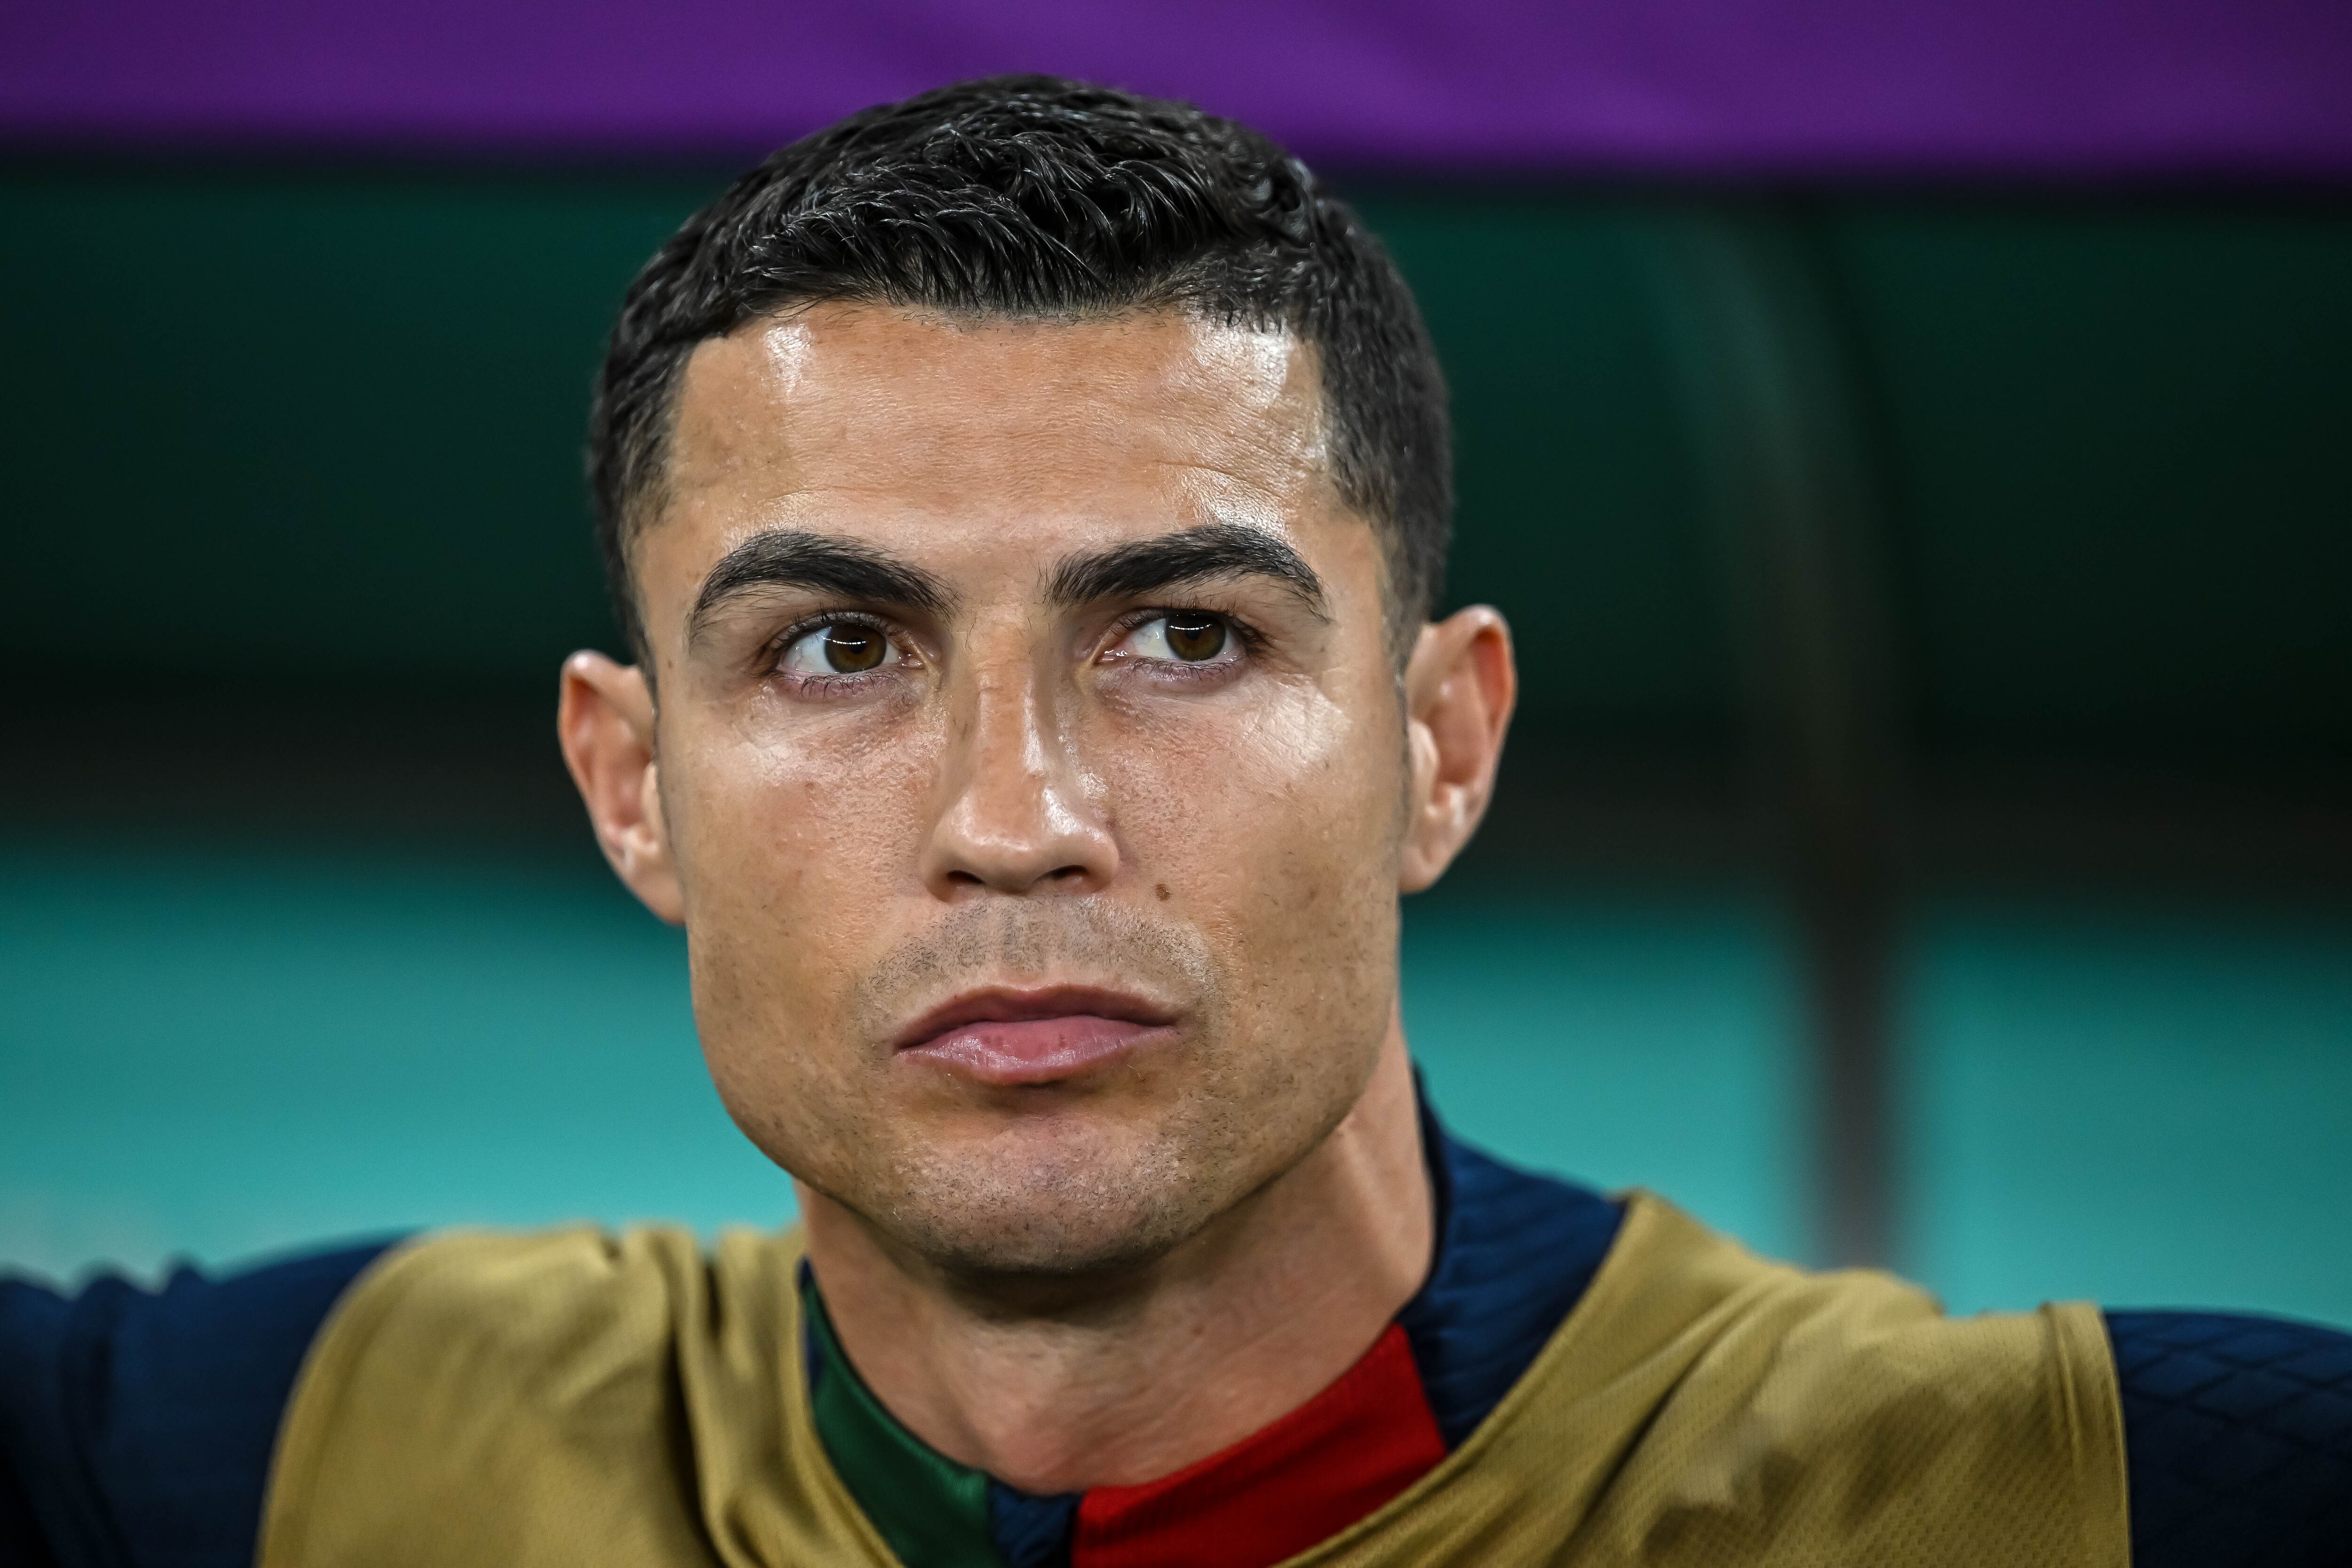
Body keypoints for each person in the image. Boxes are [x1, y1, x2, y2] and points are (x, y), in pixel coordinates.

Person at [3, 75, 2348, 1568]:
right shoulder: (308, 1452)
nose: (1015, 822)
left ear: (1441, 741)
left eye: (1184, 639)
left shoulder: (2080, 1501)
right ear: (631, 789)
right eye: (837, 650)